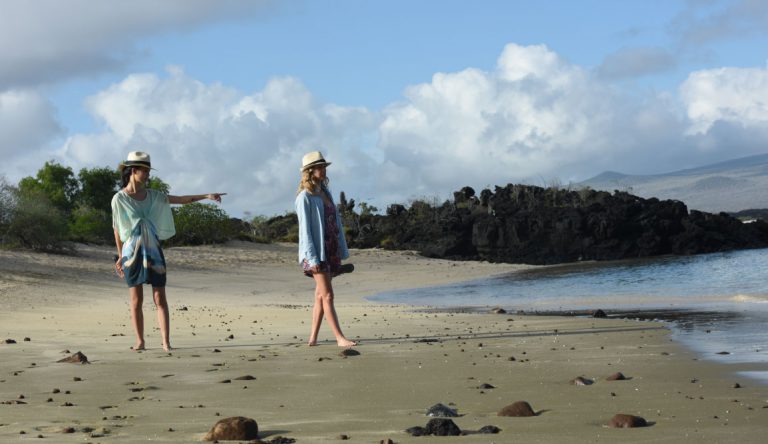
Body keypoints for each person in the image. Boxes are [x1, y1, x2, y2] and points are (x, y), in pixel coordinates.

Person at [111, 151, 225, 352]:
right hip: (132, 253)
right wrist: (120, 256)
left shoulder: (154, 196)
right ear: (133, 171)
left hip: (154, 251)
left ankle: (166, 341)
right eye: (144, 171)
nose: (147, 175)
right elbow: (117, 229)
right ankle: (140, 341)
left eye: (148, 171)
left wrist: (207, 196)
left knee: (160, 298)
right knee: (136, 300)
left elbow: (181, 199)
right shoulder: (119, 199)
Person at [295, 150, 357, 347]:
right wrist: (312, 259)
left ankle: (313, 338)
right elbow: (305, 232)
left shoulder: (326, 192)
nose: (323, 170)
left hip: (330, 248)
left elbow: (334, 223)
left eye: (324, 167)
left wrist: (340, 249)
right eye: (319, 167)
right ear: (309, 171)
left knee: (320, 295)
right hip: (316, 252)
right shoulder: (304, 197)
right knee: (328, 295)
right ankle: (339, 338)